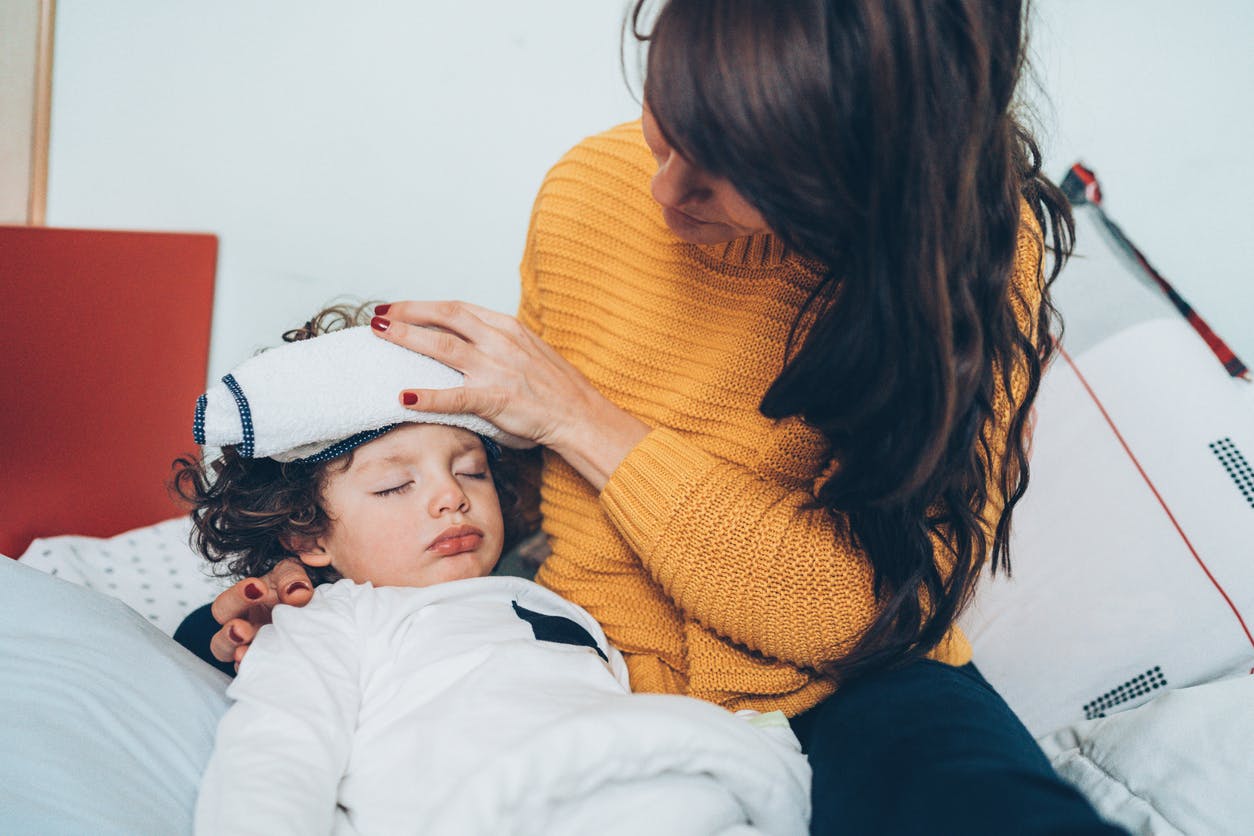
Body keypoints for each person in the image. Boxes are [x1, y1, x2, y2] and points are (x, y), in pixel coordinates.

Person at [187, 2, 1128, 833]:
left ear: (860, 190)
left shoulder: (969, 256)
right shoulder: (586, 193)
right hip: (587, 676)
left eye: (724, 174)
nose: (662, 189)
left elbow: (867, 609)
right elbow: (522, 488)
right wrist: (328, 565)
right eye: (665, 120)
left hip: (848, 685)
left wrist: (581, 417)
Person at [176, 308, 810, 835]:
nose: (450, 496)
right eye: (397, 485)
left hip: (648, 781)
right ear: (309, 534)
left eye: (471, 470)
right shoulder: (330, 621)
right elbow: (275, 754)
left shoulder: (552, 595)